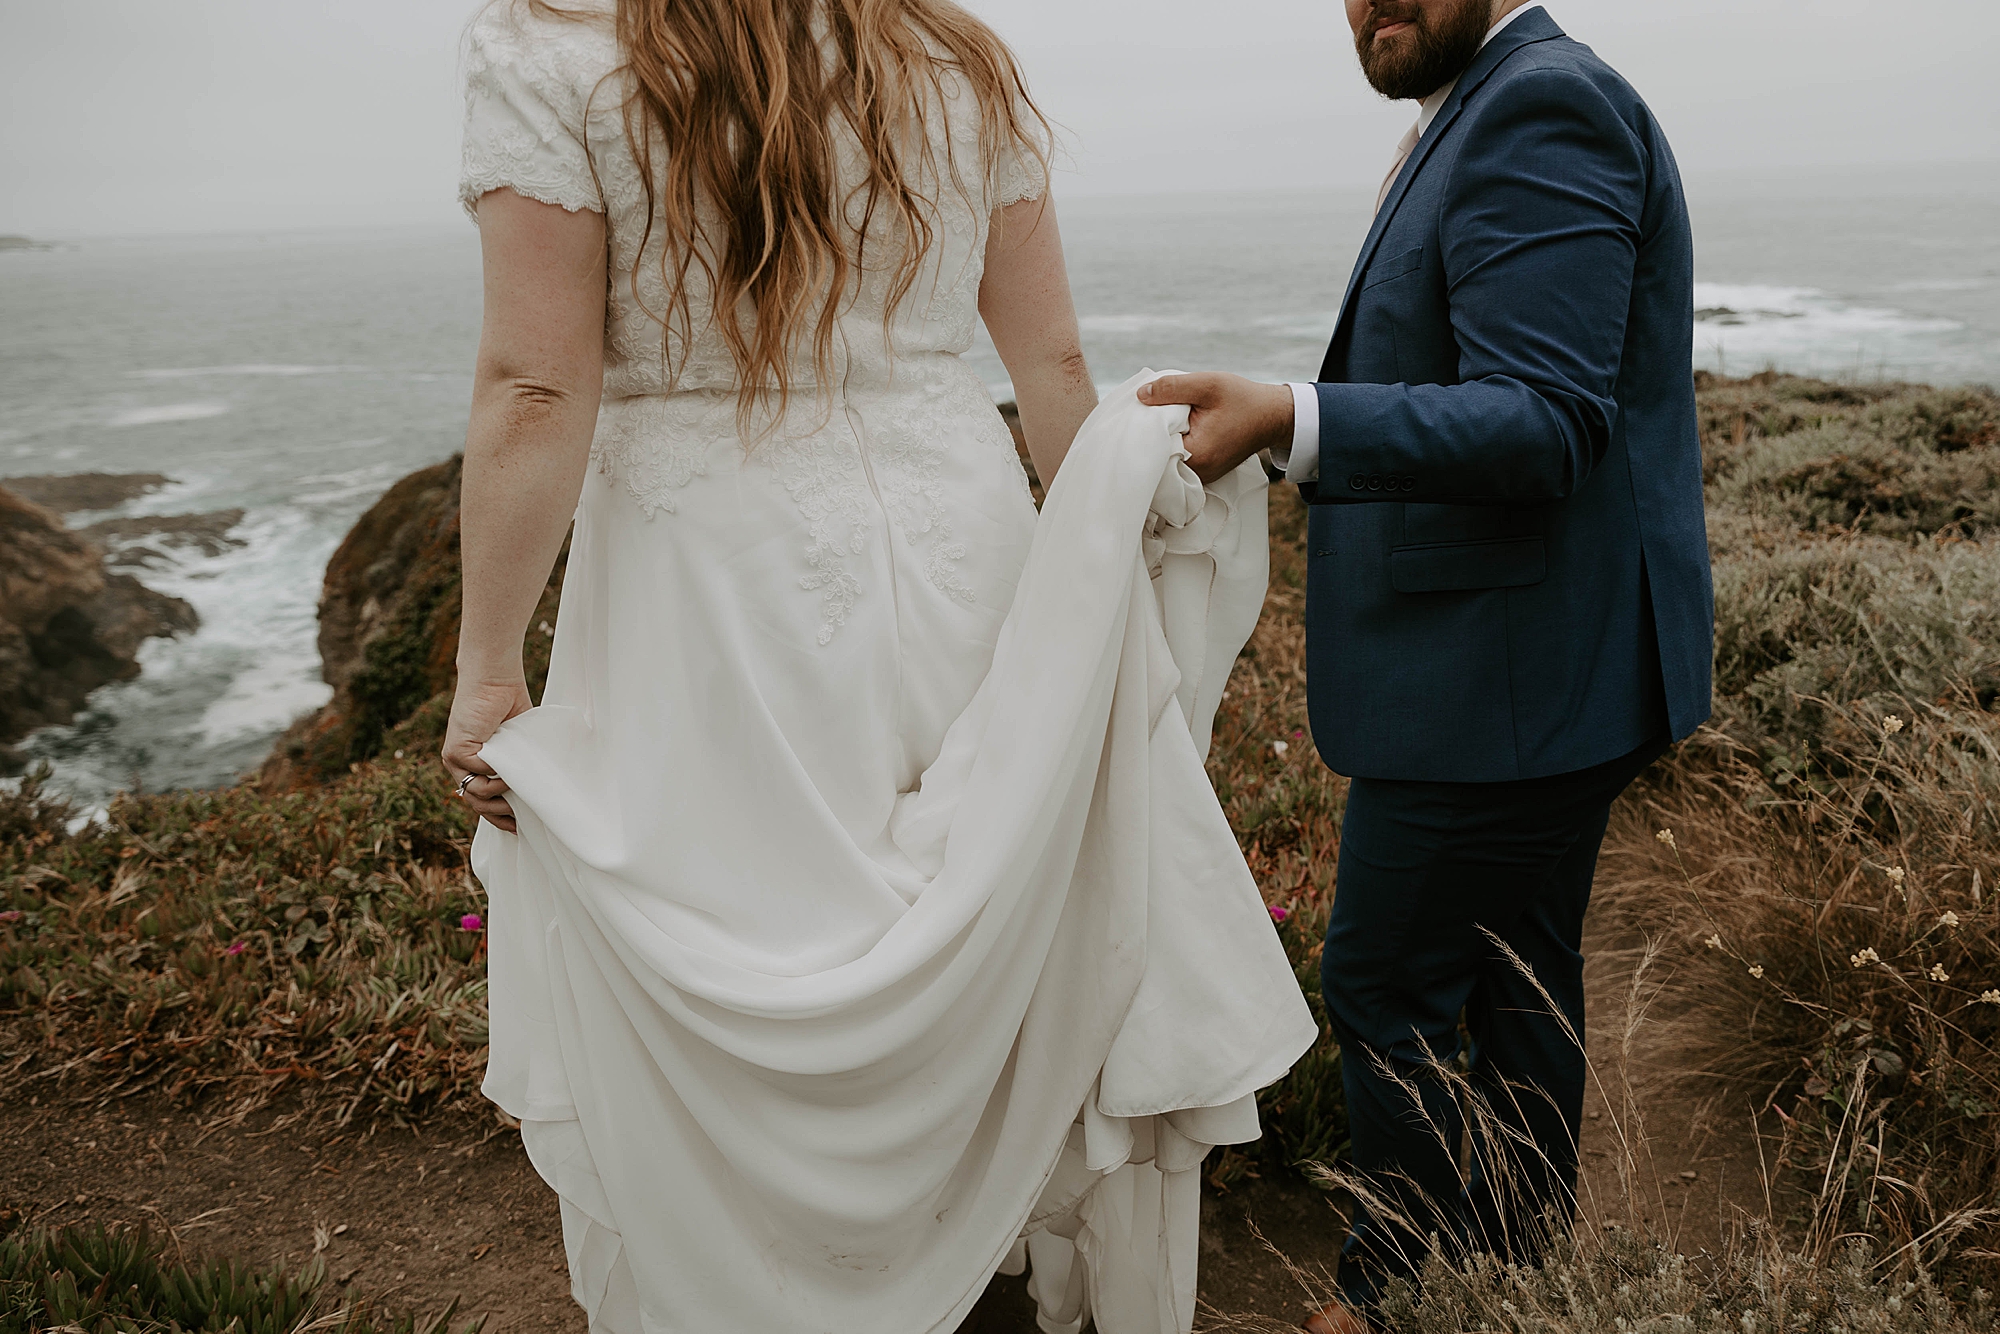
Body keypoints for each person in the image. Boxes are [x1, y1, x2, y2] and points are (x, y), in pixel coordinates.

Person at [440, 0, 1316, 1330]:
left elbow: (537, 386)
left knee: (764, 964)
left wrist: (489, 672)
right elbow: (1054, 369)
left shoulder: (552, 49)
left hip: (715, 598)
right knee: (978, 942)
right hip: (963, 554)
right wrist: (1117, 547)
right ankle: (975, 1275)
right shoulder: (951, 59)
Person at [1137, 1, 1714, 1329]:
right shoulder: (1479, 106)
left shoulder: (1539, 104)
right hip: (1538, 664)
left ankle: (1395, 1298)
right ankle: (1513, 1281)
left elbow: (1544, 419)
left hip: (1510, 677)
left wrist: (1292, 415)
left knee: (1388, 982)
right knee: (1516, 978)